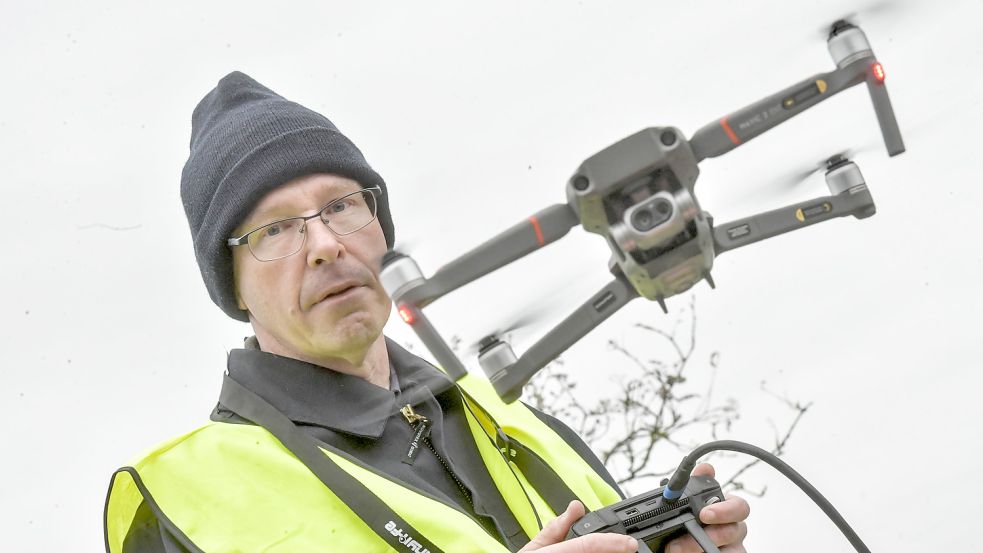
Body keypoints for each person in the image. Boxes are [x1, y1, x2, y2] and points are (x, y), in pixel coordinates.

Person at [103, 71, 750, 553]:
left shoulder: (513, 414)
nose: (326, 245)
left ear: (381, 229)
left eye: (341, 205)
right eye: (274, 230)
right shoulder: (179, 498)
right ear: (233, 285)